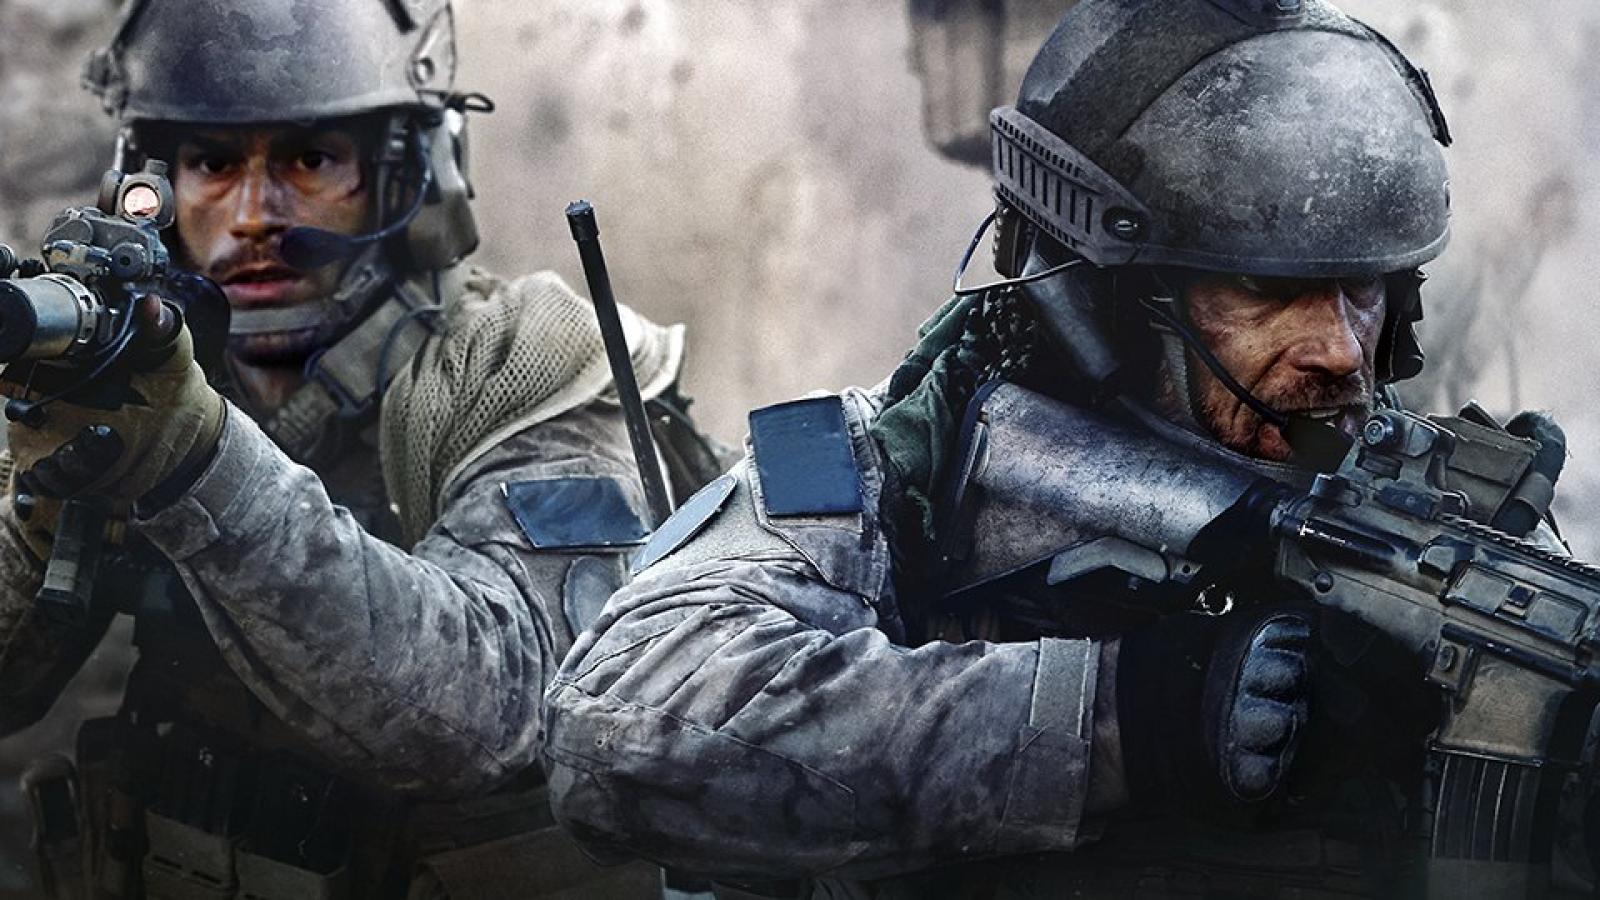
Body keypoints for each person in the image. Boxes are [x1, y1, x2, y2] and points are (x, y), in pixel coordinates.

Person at [542, 0, 1576, 896]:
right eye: (1267, 290)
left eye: (1364, 288)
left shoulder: (1451, 525)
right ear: (1102, 300)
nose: (1340, 350)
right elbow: (617, 731)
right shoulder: (889, 474)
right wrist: (1125, 719)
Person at [0, 0, 720, 897]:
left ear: (409, 173)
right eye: (212, 165)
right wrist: (40, 505)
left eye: (309, 160)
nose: (254, 216)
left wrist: (196, 464)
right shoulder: (144, 363)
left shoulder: (519, 363)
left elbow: (490, 717)